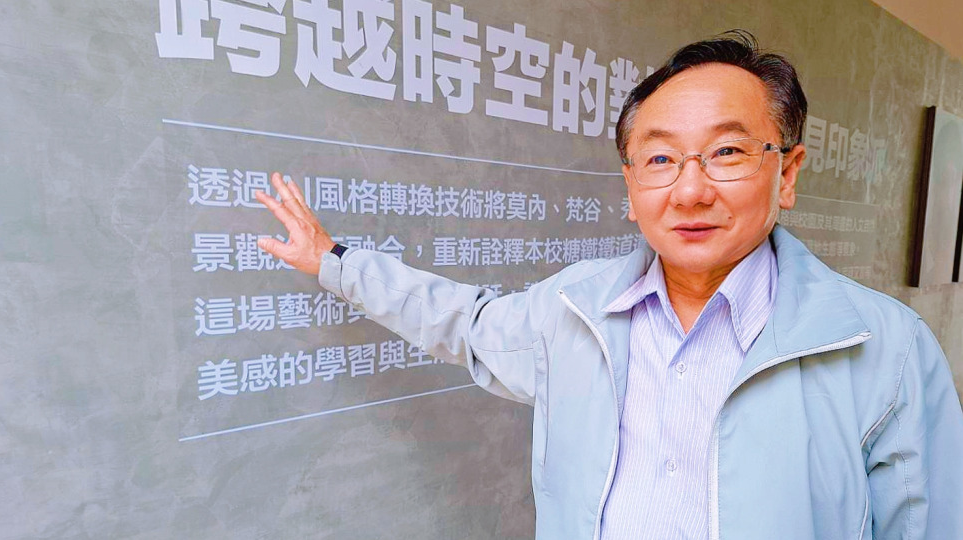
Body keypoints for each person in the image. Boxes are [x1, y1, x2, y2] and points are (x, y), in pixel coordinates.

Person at [254, 31, 963, 540]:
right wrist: (333, 261)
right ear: (630, 186)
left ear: (788, 172)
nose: (690, 189)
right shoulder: (575, 310)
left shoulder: (885, 350)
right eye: (659, 158)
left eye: (726, 152)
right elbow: (467, 323)